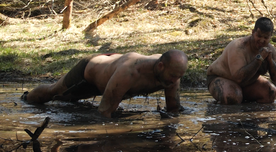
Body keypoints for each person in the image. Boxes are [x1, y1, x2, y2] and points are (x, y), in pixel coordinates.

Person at [23, 49, 188, 118]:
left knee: (68, 101)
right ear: (160, 66)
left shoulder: (172, 73)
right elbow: (104, 113)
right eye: (173, 76)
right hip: (89, 71)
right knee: (55, 92)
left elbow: (173, 111)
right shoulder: (130, 72)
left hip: (112, 69)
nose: (175, 81)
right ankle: (26, 100)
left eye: (178, 77)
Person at [207, 17, 276, 104]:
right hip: (220, 78)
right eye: (259, 36)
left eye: (266, 37)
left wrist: (270, 61)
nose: (262, 40)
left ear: (270, 37)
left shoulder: (271, 50)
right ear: (253, 32)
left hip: (248, 82)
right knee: (232, 97)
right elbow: (238, 78)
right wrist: (259, 59)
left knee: (271, 93)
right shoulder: (238, 46)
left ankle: (253, 115)